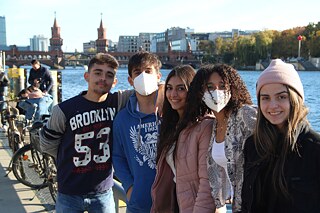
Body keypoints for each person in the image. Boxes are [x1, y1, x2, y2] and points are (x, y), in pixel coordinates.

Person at [40, 53, 133, 213]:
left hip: (102, 191)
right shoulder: (63, 110)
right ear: (87, 76)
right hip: (69, 192)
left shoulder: (118, 101)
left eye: (109, 75)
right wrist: (69, 159)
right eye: (98, 73)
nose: (103, 78)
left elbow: (153, 90)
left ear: (114, 82)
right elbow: (47, 145)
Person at [241, 59, 320, 213]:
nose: (273, 105)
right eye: (265, 98)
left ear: (295, 99)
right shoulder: (253, 146)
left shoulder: (314, 149)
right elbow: (247, 202)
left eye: (281, 97)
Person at [151, 65, 216, 213]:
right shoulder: (172, 126)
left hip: (195, 206)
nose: (173, 94)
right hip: (174, 202)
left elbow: (207, 183)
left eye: (181, 88)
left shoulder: (204, 126)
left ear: (193, 91)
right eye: (169, 88)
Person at [112, 51, 162, 213]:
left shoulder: (172, 112)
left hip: (174, 201)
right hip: (139, 203)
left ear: (158, 76)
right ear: (130, 80)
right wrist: (129, 188)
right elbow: (118, 157)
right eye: (137, 72)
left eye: (148, 71)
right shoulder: (122, 119)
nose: (143, 76)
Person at [203, 64, 257, 212]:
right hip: (237, 206)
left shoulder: (244, 114)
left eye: (222, 86)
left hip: (257, 203)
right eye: (210, 87)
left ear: (232, 88)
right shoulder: (215, 125)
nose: (216, 91)